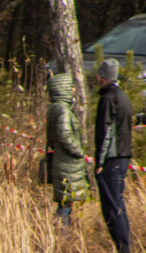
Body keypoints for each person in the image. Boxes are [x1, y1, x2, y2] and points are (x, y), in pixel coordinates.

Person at [93, 58, 132, 253]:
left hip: (111, 159)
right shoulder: (123, 96)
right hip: (122, 157)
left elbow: (105, 133)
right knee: (118, 204)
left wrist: (99, 162)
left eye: (99, 75)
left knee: (111, 207)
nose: (97, 78)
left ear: (103, 77)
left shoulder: (108, 99)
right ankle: (125, 251)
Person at [45, 73, 91, 227]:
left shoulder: (54, 108)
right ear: (63, 88)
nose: (73, 90)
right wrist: (79, 152)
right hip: (67, 164)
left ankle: (61, 232)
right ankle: (61, 235)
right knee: (65, 204)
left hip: (61, 162)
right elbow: (64, 136)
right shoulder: (63, 110)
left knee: (65, 202)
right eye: (70, 87)